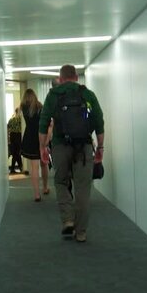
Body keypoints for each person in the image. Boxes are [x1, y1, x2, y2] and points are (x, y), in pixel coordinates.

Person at [38, 65, 104, 243]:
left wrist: (43, 147)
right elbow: (99, 121)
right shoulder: (87, 94)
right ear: (76, 77)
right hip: (84, 147)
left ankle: (68, 219)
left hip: (60, 146)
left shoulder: (53, 95)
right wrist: (100, 148)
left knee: (60, 181)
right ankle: (81, 232)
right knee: (83, 189)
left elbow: (43, 123)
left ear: (60, 78)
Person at [20, 89, 50, 201]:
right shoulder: (40, 107)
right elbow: (47, 123)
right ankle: (45, 187)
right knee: (44, 164)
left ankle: (37, 195)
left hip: (29, 138)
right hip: (41, 136)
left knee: (34, 167)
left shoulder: (23, 108)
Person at [7, 108, 23, 174]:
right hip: (18, 136)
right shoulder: (20, 120)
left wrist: (8, 138)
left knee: (15, 153)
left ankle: (19, 167)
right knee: (17, 153)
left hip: (12, 136)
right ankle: (18, 167)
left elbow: (7, 128)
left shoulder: (11, 119)